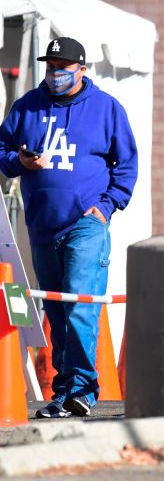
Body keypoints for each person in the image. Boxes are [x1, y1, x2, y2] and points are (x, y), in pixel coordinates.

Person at [0, 37, 138, 418]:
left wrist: (106, 207)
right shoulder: (27, 106)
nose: (55, 74)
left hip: (86, 224)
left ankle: (83, 389)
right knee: (56, 312)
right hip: (42, 225)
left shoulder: (107, 109)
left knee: (79, 303)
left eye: (63, 67)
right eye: (50, 67)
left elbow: (126, 164)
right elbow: (2, 150)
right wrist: (19, 162)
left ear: (81, 70)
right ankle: (63, 392)